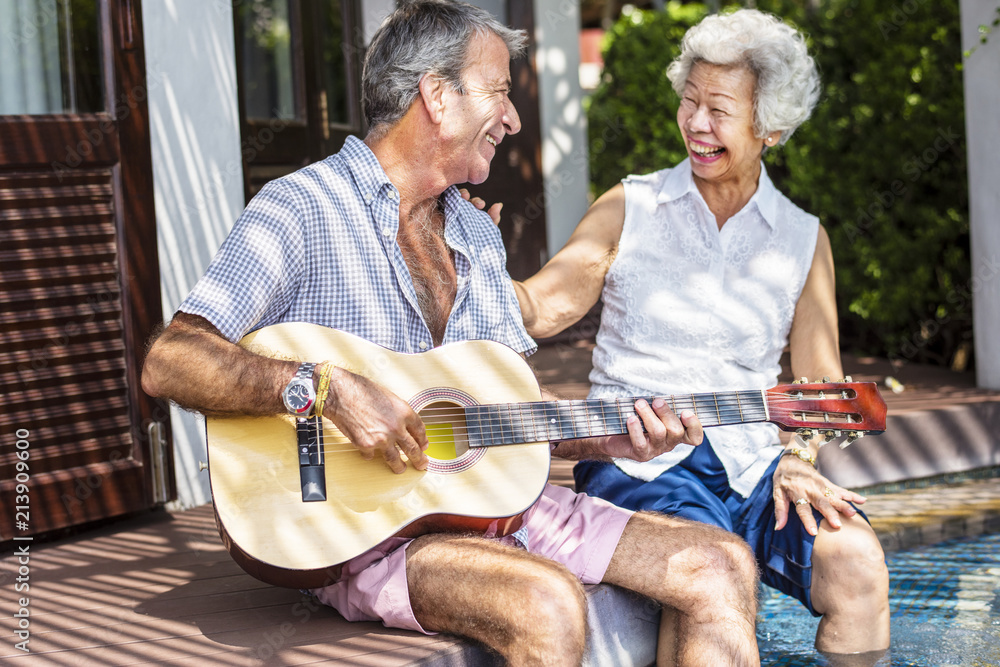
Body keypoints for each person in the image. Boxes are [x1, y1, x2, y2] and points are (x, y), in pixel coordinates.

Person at [141, 2, 762, 665]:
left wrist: (611, 438)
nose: (514, 118)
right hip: (362, 531)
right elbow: (170, 359)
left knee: (719, 562)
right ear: (437, 95)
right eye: (500, 91)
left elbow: (508, 416)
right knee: (546, 603)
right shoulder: (300, 209)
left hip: (498, 507)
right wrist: (325, 388)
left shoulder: (475, 232)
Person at [512, 8, 890, 666]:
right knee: (712, 566)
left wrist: (800, 456)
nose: (695, 123)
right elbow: (541, 306)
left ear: (769, 126)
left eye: (718, 108)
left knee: (855, 560)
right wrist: (462, 270)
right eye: (689, 102)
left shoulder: (804, 239)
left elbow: (818, 390)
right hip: (639, 461)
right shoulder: (629, 206)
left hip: (753, 467)